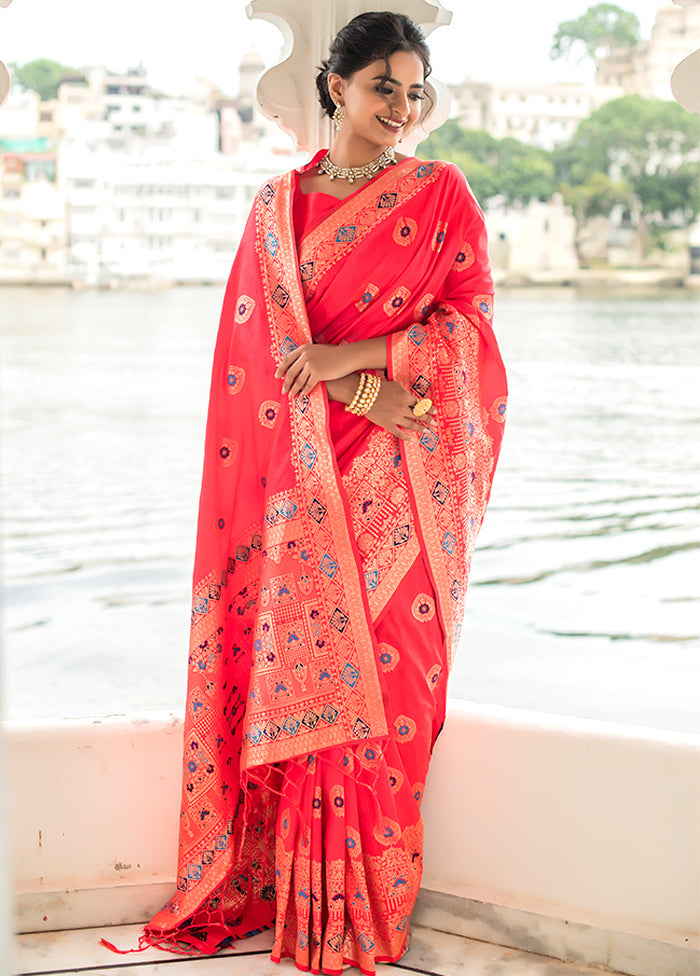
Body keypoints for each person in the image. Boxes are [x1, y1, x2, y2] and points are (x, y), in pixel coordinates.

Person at [101, 10, 506, 974]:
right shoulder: (274, 211)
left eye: (415, 91)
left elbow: (470, 331)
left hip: (397, 486)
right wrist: (352, 381)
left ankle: (362, 909)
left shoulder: (440, 194)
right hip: (301, 490)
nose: (402, 109)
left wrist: (349, 356)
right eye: (383, 88)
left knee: (392, 685)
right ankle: (293, 897)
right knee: (313, 678)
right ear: (335, 87)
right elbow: (260, 362)